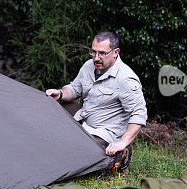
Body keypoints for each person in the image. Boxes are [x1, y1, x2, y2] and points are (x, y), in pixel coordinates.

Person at [45, 31, 147, 171]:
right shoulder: (89, 66)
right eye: (93, 52)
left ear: (115, 52)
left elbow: (139, 114)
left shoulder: (126, 79)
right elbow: (75, 89)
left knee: (71, 151)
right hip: (84, 118)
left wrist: (122, 142)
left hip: (104, 132)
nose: (96, 58)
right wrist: (60, 94)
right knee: (51, 107)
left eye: (102, 53)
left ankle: (118, 156)